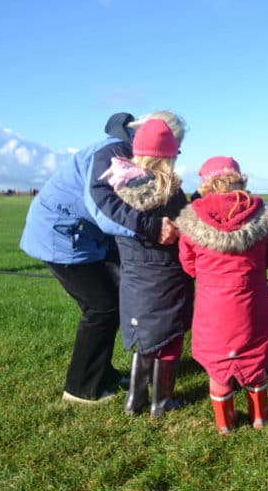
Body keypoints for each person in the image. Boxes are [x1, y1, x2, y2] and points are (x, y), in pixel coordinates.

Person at [19, 111, 185, 404]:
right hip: (62, 236)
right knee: (101, 307)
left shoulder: (125, 150)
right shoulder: (111, 154)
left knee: (113, 300)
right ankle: (81, 388)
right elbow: (103, 209)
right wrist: (152, 228)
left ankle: (102, 373)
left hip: (85, 236)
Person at [176, 156, 268, 434]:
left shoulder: (193, 217)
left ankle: (224, 423)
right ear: (240, 179)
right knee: (254, 357)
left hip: (212, 306)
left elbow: (188, 264)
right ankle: (260, 416)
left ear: (206, 184)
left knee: (217, 364)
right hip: (252, 301)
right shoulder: (262, 213)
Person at [98, 118, 194, 417]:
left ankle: (135, 400)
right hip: (167, 276)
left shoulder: (119, 186)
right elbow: (185, 229)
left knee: (145, 339)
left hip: (134, 277)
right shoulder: (169, 191)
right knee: (170, 338)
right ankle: (161, 402)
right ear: (168, 155)